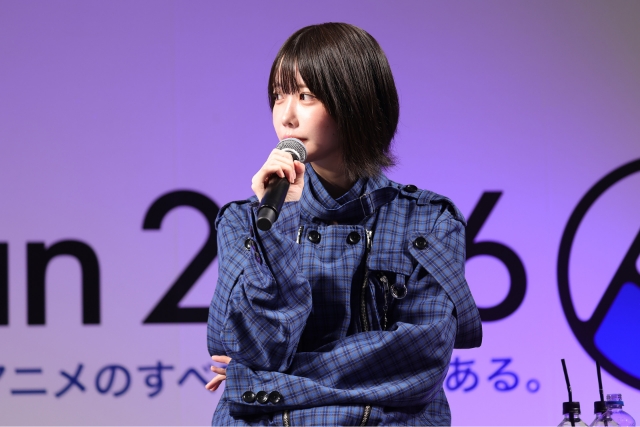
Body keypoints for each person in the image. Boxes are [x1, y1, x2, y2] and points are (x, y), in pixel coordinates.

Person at [206, 22, 482, 426]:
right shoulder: (245, 220)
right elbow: (251, 349)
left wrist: (260, 383)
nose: (286, 116)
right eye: (278, 95)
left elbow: (421, 359)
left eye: (305, 96)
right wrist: (278, 224)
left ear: (355, 101)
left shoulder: (428, 219)